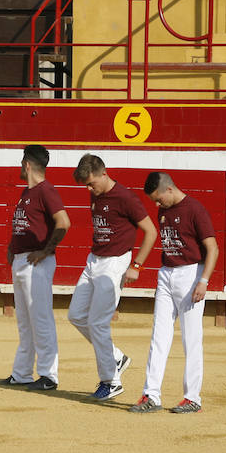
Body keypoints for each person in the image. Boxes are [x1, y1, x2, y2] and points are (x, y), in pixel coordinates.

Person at [68, 154, 158, 401]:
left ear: (103, 173)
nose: (88, 189)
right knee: (75, 315)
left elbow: (150, 231)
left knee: (97, 322)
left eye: (90, 183)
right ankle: (116, 357)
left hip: (115, 263)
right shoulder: (95, 193)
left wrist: (137, 266)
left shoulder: (126, 198)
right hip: (93, 259)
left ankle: (111, 381)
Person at [130, 172, 218, 414]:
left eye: (159, 199)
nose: (157, 205)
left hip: (190, 275)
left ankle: (192, 398)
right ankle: (151, 395)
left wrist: (204, 281)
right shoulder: (164, 211)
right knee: (159, 336)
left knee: (191, 339)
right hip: (166, 273)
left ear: (169, 189)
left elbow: (213, 248)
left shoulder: (195, 209)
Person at [0, 144, 70, 391]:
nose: (20, 167)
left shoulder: (46, 190)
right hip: (22, 260)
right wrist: (12, 246)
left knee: (40, 319)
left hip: (36, 262)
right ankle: (21, 373)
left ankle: (49, 375)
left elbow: (64, 222)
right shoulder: (27, 192)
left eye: (21, 163)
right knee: (24, 321)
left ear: (27, 164)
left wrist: (46, 250)